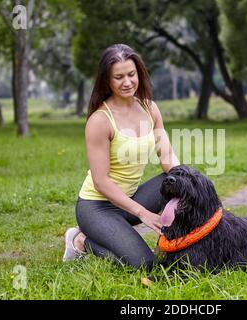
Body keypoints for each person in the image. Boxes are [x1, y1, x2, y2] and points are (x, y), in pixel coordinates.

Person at [62, 44, 180, 271]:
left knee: (181, 180)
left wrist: (191, 183)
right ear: (107, 80)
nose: (127, 82)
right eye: (118, 77)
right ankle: (81, 241)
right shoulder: (100, 120)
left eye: (131, 74)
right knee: (145, 266)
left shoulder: (150, 109)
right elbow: (101, 181)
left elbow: (167, 157)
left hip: (131, 198)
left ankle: (175, 242)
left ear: (139, 74)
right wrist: (143, 213)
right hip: (98, 207)